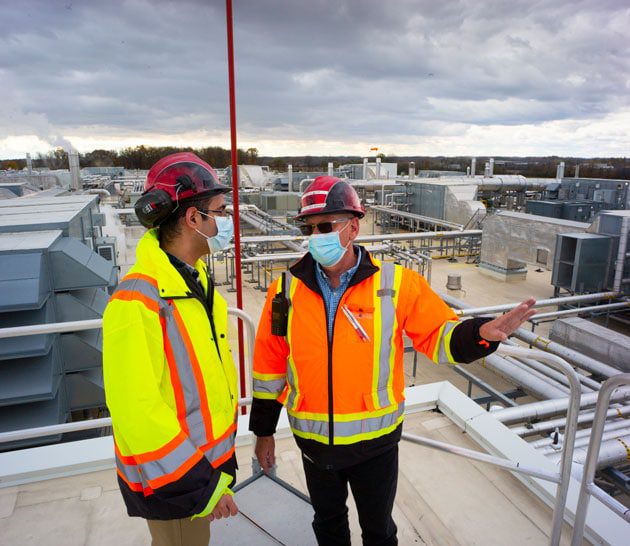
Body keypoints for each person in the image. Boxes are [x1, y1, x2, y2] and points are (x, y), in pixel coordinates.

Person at [249, 176, 536, 546]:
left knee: (379, 531)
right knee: (328, 524)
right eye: (309, 227)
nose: (314, 235)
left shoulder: (396, 284)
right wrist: (264, 431)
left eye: (325, 226)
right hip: (313, 443)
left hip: (376, 445)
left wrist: (482, 334)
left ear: (353, 227)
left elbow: (440, 337)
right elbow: (269, 366)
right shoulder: (284, 290)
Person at [103, 152, 239, 546]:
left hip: (204, 466)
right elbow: (136, 410)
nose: (226, 219)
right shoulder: (137, 300)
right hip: (175, 480)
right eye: (220, 210)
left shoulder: (193, 283)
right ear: (193, 219)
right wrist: (200, 485)